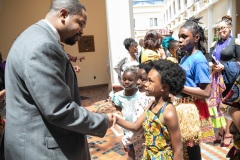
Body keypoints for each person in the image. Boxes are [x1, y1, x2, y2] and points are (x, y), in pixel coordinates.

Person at [4, 1, 113, 159]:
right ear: (63, 14)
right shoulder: (44, 46)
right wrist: (103, 121)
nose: (82, 31)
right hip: (41, 149)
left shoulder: (31, 35)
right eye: (80, 23)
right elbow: (59, 109)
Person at [114, 59, 185, 159]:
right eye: (146, 80)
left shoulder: (168, 113)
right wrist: (116, 119)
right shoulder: (152, 105)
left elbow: (178, 149)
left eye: (150, 81)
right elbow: (135, 126)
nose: (145, 84)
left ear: (164, 87)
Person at [177, 16, 214, 160]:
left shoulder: (198, 60)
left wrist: (180, 87)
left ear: (196, 37)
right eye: (179, 36)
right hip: (183, 107)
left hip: (192, 110)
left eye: (184, 36)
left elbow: (206, 92)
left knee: (192, 149)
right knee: (185, 148)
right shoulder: (185, 57)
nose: (180, 40)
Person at [209, 15, 240, 148]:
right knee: (217, 106)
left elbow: (239, 62)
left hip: (231, 79)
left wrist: (225, 67)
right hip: (217, 79)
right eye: (219, 29)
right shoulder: (214, 44)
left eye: (224, 28)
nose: (221, 31)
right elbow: (209, 59)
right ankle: (220, 132)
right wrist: (212, 66)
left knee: (228, 105)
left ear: (230, 28)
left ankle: (228, 132)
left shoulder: (236, 43)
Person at [111, 67, 142, 160]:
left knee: (141, 151)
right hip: (127, 130)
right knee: (131, 152)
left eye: (130, 80)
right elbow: (117, 105)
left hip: (140, 129)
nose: (126, 82)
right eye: (124, 79)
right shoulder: (118, 96)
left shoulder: (141, 95)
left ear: (137, 81)